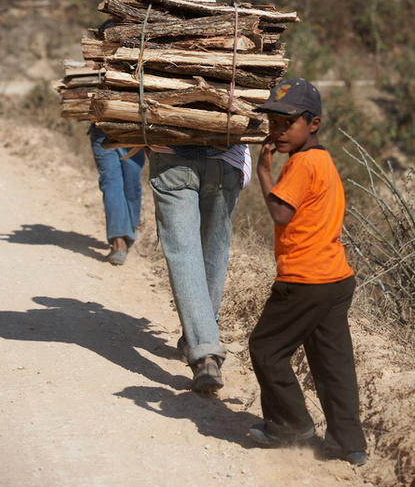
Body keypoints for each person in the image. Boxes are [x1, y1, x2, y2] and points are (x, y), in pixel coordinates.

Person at [247, 78, 367, 466]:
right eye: (273, 123)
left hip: (304, 281)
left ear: (312, 124)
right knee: (333, 363)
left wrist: (264, 171)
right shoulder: (324, 160)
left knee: (266, 348)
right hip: (335, 278)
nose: (278, 131)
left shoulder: (301, 164)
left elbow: (281, 213)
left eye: (288, 122)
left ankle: (291, 424)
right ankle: (349, 444)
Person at [149, 144, 251, 393]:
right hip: (226, 160)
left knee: (184, 254)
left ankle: (205, 351)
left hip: (172, 158)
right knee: (214, 253)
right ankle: (204, 339)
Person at [89, 124, 145, 265]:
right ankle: (119, 241)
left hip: (133, 131)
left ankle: (129, 230)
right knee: (111, 182)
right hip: (104, 131)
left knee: (131, 184)